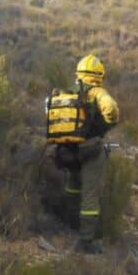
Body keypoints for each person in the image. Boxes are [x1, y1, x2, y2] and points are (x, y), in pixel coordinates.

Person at [48, 54, 119, 254]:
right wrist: (108, 123)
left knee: (72, 186)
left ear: (78, 72)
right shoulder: (97, 92)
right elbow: (111, 108)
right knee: (90, 194)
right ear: (99, 75)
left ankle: (69, 223)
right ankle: (85, 240)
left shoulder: (68, 91)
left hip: (69, 150)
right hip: (91, 150)